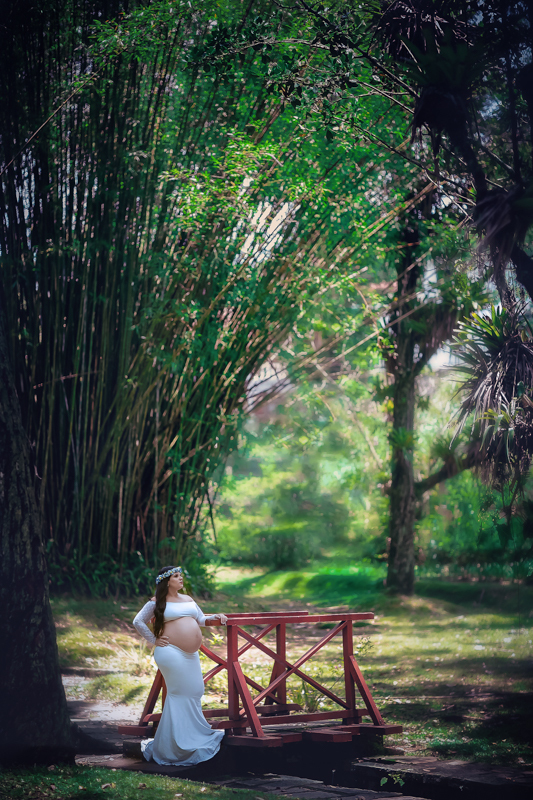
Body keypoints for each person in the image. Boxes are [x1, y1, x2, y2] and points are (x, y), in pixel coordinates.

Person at [132, 565, 227, 766]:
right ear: (167, 582)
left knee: (196, 690)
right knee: (179, 693)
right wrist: (154, 640)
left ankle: (192, 735)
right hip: (171, 652)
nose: (181, 579)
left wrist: (215, 617)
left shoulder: (188, 599)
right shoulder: (156, 602)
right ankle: (175, 745)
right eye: (176, 576)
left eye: (180, 576)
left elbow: (201, 619)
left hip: (190, 654)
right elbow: (138, 621)